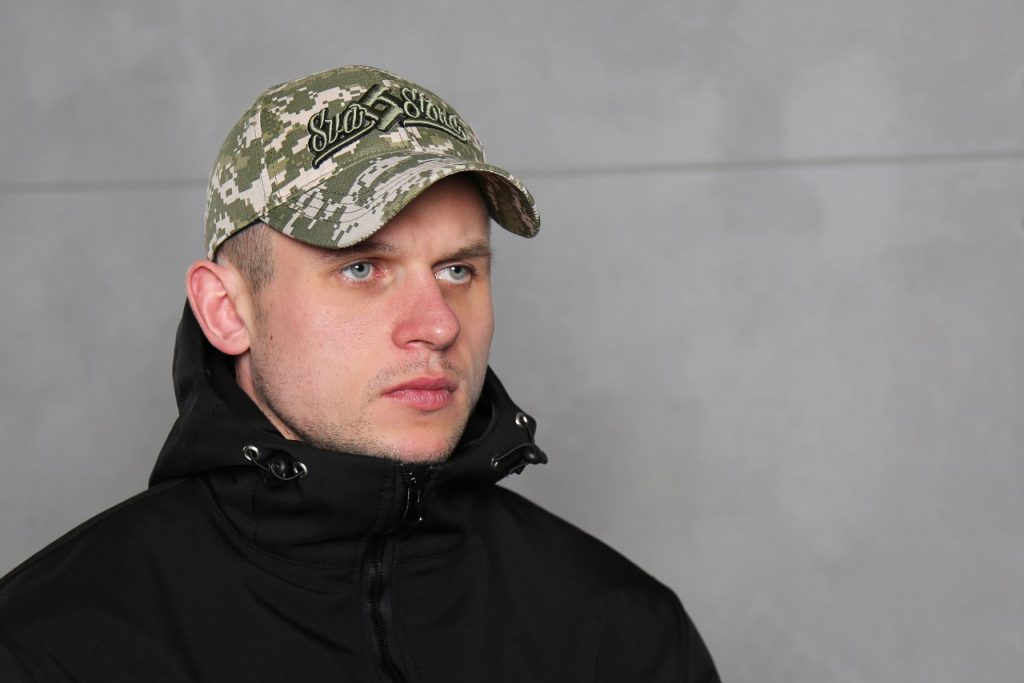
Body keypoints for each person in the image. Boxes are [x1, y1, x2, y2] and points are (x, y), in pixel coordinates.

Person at [0, 65, 719, 682]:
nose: (438, 325)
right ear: (226, 310)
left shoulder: (618, 632)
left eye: (458, 270)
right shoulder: (50, 646)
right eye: (362, 268)